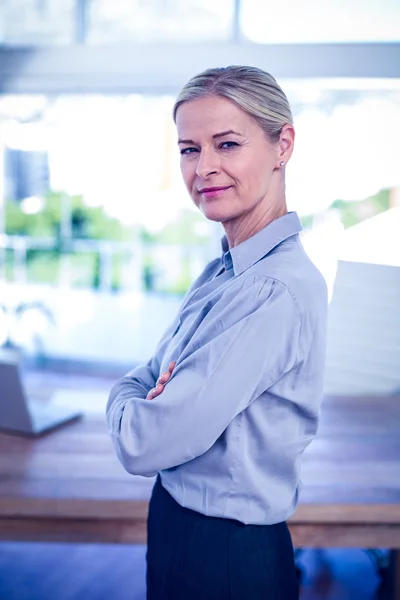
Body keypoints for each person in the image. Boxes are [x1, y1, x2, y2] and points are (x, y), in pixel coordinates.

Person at [106, 65, 328, 600]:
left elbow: (143, 442)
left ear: (283, 145)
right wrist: (148, 391)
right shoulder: (229, 270)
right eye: (188, 149)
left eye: (227, 144)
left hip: (223, 556)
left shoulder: (269, 290)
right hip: (185, 529)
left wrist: (126, 398)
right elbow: (153, 378)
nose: (204, 167)